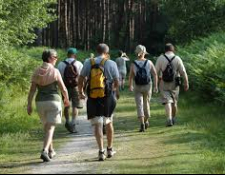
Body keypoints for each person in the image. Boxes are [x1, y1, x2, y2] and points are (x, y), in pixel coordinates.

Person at [78, 43, 120, 161]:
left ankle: (101, 151)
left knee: (97, 124)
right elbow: (117, 82)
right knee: (108, 122)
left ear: (96, 51)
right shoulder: (111, 63)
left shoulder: (88, 62)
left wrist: (80, 92)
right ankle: (110, 149)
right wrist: (114, 91)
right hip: (107, 96)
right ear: (107, 53)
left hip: (92, 96)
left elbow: (80, 79)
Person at [27, 49, 70, 162]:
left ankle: (51, 151)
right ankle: (45, 150)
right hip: (53, 101)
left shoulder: (36, 71)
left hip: (40, 102)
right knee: (50, 127)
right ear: (50, 58)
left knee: (46, 126)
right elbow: (63, 88)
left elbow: (32, 90)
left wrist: (29, 104)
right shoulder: (55, 71)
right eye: (55, 57)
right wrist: (66, 99)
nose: (56, 59)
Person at [155, 43, 189, 127]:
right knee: (174, 102)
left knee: (167, 101)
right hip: (175, 83)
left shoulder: (160, 58)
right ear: (173, 49)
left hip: (164, 82)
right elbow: (183, 72)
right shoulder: (177, 58)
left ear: (165, 50)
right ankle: (173, 118)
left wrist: (156, 83)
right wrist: (186, 82)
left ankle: (169, 118)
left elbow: (155, 72)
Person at [129, 45, 158, 132]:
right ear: (144, 53)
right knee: (146, 103)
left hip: (137, 86)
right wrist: (156, 86)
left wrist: (130, 85)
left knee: (139, 105)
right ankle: (146, 120)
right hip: (148, 86)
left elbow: (130, 76)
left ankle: (142, 124)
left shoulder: (133, 63)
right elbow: (155, 74)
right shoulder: (149, 62)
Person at [58, 48, 83, 133]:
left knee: (66, 105)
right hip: (75, 87)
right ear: (75, 55)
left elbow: (59, 77)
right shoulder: (78, 63)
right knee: (75, 106)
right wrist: (82, 89)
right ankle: (73, 123)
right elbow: (81, 77)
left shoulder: (61, 64)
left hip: (65, 87)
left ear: (67, 54)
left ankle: (67, 121)